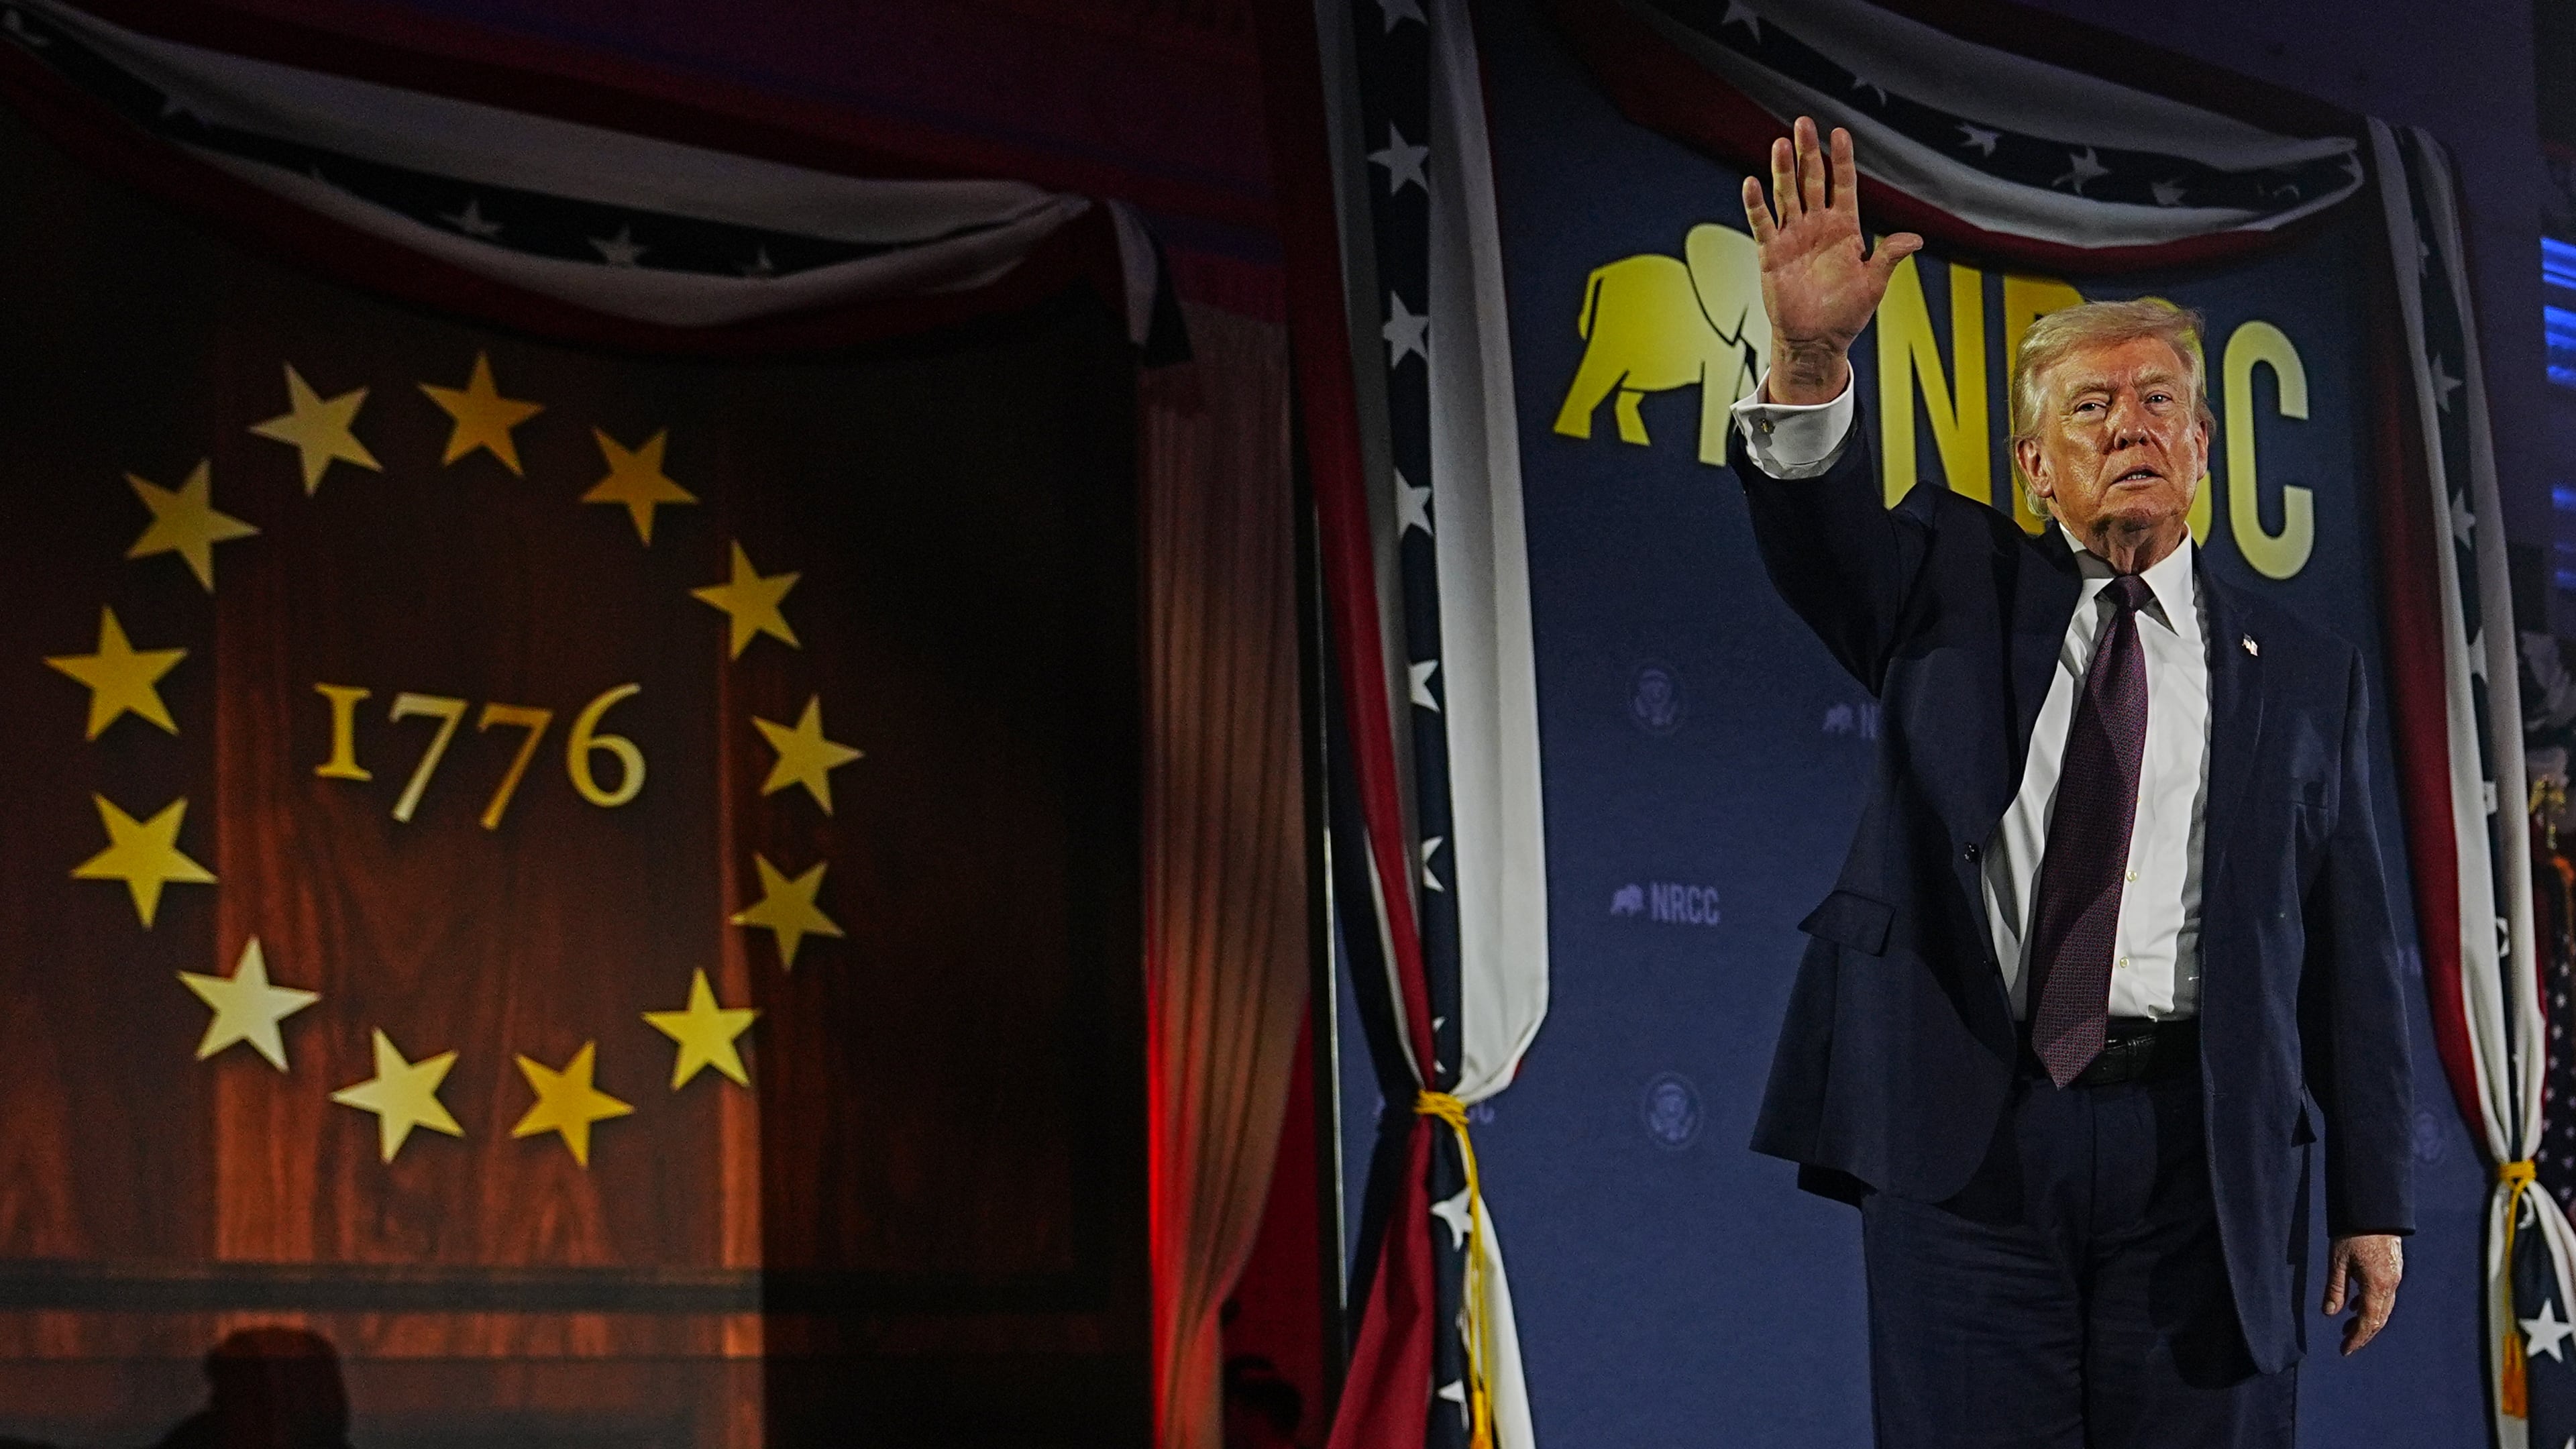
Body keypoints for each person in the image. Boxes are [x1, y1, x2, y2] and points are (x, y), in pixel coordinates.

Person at [1729, 117, 2413, 1448]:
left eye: (2160, 400)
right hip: (1972, 1147)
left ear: (2207, 449)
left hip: (2204, 1161)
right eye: (2091, 408)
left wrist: (2373, 1196)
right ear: (2036, 470)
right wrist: (1811, 360)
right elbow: (1818, 533)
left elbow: (2350, 952)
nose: (2133, 426)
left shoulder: (2303, 671)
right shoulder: (1950, 581)